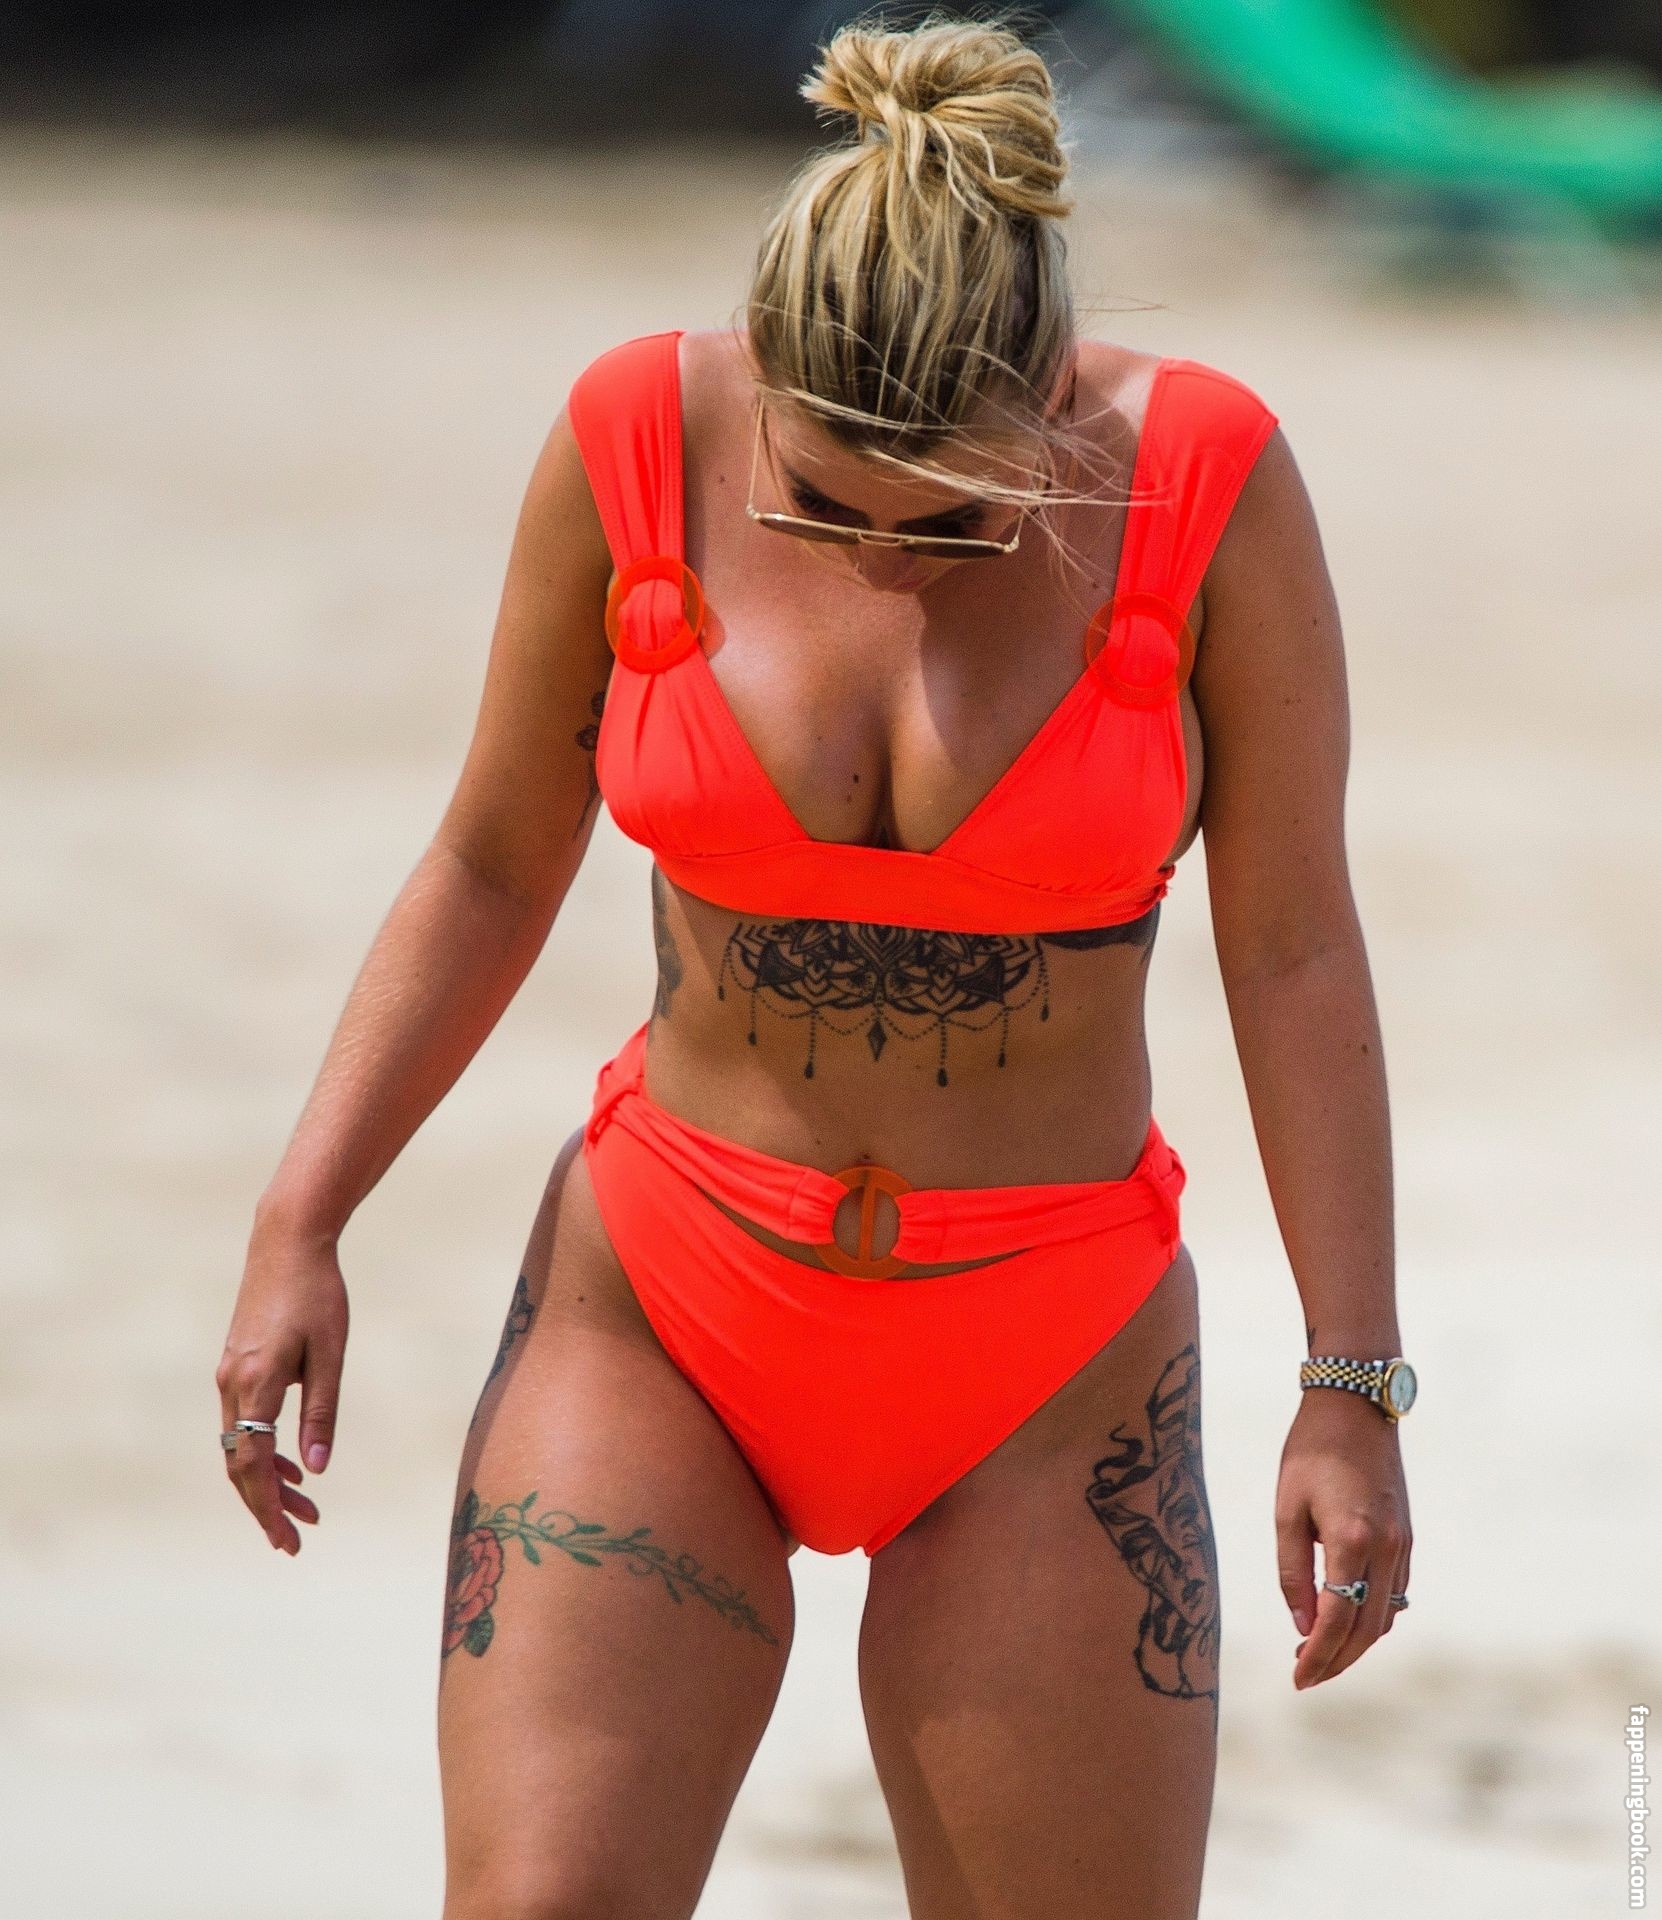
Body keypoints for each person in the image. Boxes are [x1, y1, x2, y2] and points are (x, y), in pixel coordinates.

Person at [216, 10, 1414, 1916]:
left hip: (1050, 1357)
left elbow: (1292, 951)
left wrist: (1349, 1380)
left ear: (1047, 401)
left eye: (957, 519)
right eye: (821, 505)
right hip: (661, 1303)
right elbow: (490, 860)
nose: (881, 564)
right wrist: (303, 1216)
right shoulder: (631, 438)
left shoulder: (1203, 481)